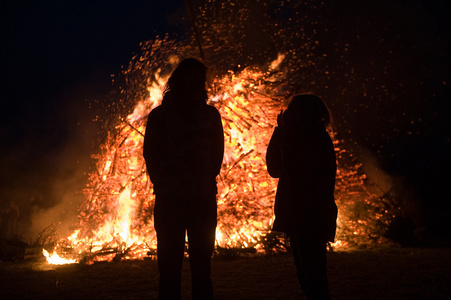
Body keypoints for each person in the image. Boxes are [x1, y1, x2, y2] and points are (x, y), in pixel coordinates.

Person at [143, 58, 224, 300]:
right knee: (187, 266)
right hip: (188, 197)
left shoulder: (164, 115)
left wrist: (162, 181)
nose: (199, 84)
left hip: (184, 196)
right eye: (197, 80)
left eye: (200, 80)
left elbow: (150, 153)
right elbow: (151, 153)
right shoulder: (205, 115)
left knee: (184, 266)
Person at [266, 94, 337, 300]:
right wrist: (279, 132)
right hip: (296, 215)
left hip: (311, 216)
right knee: (306, 277)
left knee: (314, 278)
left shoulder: (317, 140)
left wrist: (284, 135)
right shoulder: (297, 140)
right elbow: (274, 169)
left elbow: (292, 169)